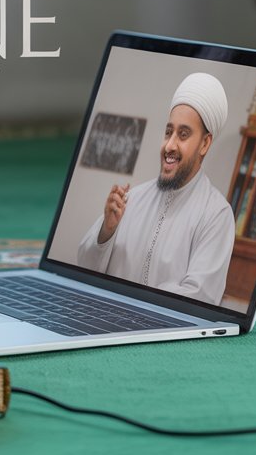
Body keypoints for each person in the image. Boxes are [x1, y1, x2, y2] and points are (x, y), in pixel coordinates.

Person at [76, 72, 236, 305]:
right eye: (168, 132)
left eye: (183, 134)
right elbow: (83, 267)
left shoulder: (216, 215)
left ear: (205, 143)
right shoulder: (132, 199)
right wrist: (106, 232)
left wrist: (134, 305)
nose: (169, 145)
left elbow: (200, 297)